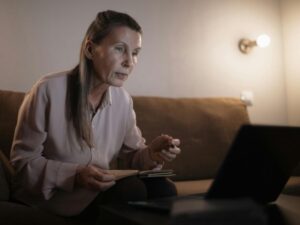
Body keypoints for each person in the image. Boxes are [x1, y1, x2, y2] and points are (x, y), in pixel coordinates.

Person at [10, 10, 181, 221]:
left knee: (164, 189)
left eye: (135, 52)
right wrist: (75, 174)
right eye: (120, 49)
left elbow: (132, 158)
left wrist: (152, 154)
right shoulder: (47, 90)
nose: (129, 62)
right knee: (131, 191)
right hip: (53, 201)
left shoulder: (123, 100)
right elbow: (23, 163)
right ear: (90, 49)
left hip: (98, 194)